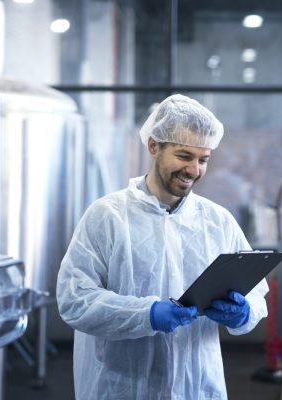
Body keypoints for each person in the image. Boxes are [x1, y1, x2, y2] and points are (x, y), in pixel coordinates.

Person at [56, 94, 269, 400]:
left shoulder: (217, 221)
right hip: (123, 386)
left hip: (197, 385)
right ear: (154, 146)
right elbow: (75, 299)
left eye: (203, 159)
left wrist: (244, 312)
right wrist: (147, 314)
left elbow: (256, 293)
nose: (194, 170)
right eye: (184, 156)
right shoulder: (108, 216)